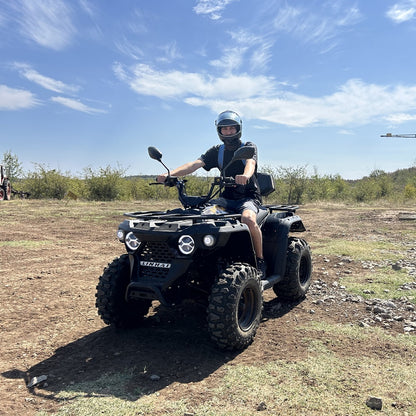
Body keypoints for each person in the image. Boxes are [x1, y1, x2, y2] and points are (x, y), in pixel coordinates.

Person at [157, 110, 266, 278]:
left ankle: (260, 260)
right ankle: (201, 259)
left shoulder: (248, 147)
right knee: (203, 217)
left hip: (248, 197)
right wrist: (170, 174)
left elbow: (250, 163)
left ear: (238, 129)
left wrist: (245, 176)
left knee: (248, 219)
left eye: (231, 128)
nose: (228, 132)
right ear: (220, 131)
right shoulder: (217, 151)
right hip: (226, 199)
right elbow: (194, 164)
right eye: (225, 129)